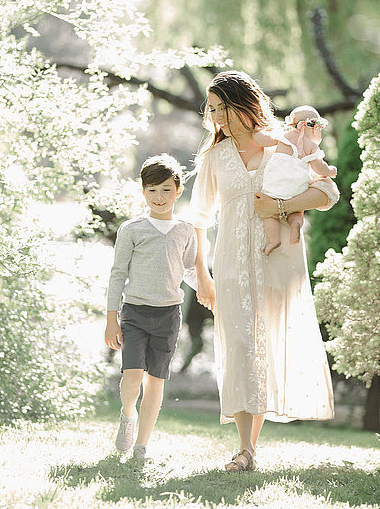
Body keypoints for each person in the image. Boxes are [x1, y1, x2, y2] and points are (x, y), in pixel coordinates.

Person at [190, 71, 339, 472]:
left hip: (278, 263)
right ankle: (246, 449)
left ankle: (249, 447)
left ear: (243, 102)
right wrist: (202, 275)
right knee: (240, 345)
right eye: (213, 109)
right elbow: (199, 220)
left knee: (264, 346)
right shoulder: (214, 157)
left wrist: (278, 209)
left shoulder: (283, 143)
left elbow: (327, 193)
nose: (217, 116)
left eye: (223, 107)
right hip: (231, 264)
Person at [105, 154, 197, 460]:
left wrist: (213, 292)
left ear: (178, 190)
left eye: (166, 190)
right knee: (132, 377)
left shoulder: (186, 230)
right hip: (134, 312)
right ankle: (128, 415)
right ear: (143, 191)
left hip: (169, 315)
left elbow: (189, 270)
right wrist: (111, 318)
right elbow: (118, 273)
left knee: (156, 381)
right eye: (152, 190)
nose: (159, 197)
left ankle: (142, 445)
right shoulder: (131, 229)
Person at [252, 105, 337, 255]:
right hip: (297, 188)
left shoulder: (285, 136)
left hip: (275, 185)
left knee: (269, 215)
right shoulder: (311, 146)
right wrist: (330, 171)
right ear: (313, 127)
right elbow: (319, 168)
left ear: (292, 123)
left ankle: (273, 240)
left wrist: (256, 131)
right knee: (297, 212)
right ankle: (296, 225)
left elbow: (263, 140)